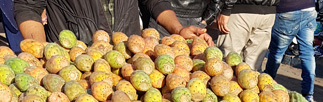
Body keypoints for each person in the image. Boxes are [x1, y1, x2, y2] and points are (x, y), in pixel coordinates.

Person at [13, 0, 214, 45]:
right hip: (73, 64)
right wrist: (38, 51)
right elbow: (27, 6)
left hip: (126, 59)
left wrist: (178, 28)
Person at [265, 0, 317, 102]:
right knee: (308, 53)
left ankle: (265, 85)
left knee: (277, 53)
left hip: (287, 10)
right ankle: (308, 95)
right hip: (309, 9)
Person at [216, 0, 279, 71]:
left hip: (242, 11)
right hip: (268, 13)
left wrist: (226, 10)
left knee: (226, 61)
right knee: (253, 66)